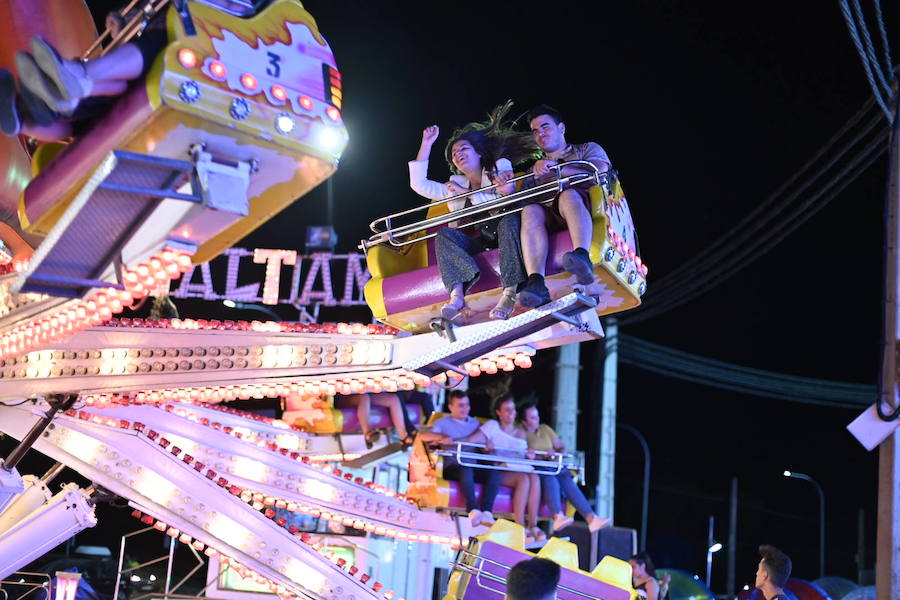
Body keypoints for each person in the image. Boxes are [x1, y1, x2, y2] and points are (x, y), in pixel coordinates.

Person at [409, 102, 539, 321]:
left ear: (479, 153)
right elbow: (419, 184)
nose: (458, 154)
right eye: (454, 153)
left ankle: (509, 293)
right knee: (445, 235)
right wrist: (427, 143)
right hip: (485, 240)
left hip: (511, 232)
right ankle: (456, 296)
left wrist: (465, 194)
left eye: (463, 149)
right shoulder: (454, 184)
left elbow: (500, 203)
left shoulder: (499, 166)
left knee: (508, 220)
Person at [517, 104, 612, 308]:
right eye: (535, 131)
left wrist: (559, 168)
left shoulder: (587, 148)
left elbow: (601, 172)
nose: (540, 134)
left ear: (561, 128)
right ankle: (536, 281)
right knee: (529, 210)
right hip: (548, 218)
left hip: (580, 205)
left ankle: (582, 256)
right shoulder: (533, 170)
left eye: (545, 127)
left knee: (568, 195)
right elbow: (521, 200)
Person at [463, 394, 544, 543]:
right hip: (499, 469)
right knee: (523, 479)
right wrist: (486, 449)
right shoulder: (492, 426)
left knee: (534, 477)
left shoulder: (521, 432)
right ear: (499, 412)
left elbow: (522, 456)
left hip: (517, 466)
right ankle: (519, 526)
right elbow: (473, 441)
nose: (511, 413)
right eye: (507, 410)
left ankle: (533, 525)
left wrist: (529, 456)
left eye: (512, 409)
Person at [518, 401, 609, 533]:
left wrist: (556, 453)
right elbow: (522, 453)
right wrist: (542, 456)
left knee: (566, 477)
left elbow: (560, 446)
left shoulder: (544, 428)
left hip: (553, 464)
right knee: (551, 478)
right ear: (524, 421)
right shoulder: (521, 433)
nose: (537, 419)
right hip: (538, 468)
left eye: (537, 416)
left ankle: (591, 518)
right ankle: (557, 516)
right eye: (532, 417)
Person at [418, 390, 502, 526]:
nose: (465, 409)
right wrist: (441, 438)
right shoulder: (442, 423)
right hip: (453, 466)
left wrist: (486, 447)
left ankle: (487, 512)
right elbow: (423, 435)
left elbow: (482, 444)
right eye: (460, 405)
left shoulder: (474, 423)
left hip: (472, 466)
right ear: (451, 407)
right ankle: (473, 509)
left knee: (494, 473)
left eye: (467, 405)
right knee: (465, 470)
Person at [334, 392, 414, 449]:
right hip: (342, 395)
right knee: (364, 397)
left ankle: (403, 436)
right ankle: (368, 433)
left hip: (362, 390)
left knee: (393, 398)